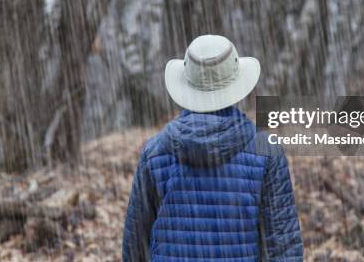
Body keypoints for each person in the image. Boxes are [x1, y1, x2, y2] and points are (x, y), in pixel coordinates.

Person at [122, 34, 304, 261]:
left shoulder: (155, 152)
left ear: (187, 84)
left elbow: (134, 246)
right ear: (236, 83)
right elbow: (284, 246)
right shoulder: (266, 151)